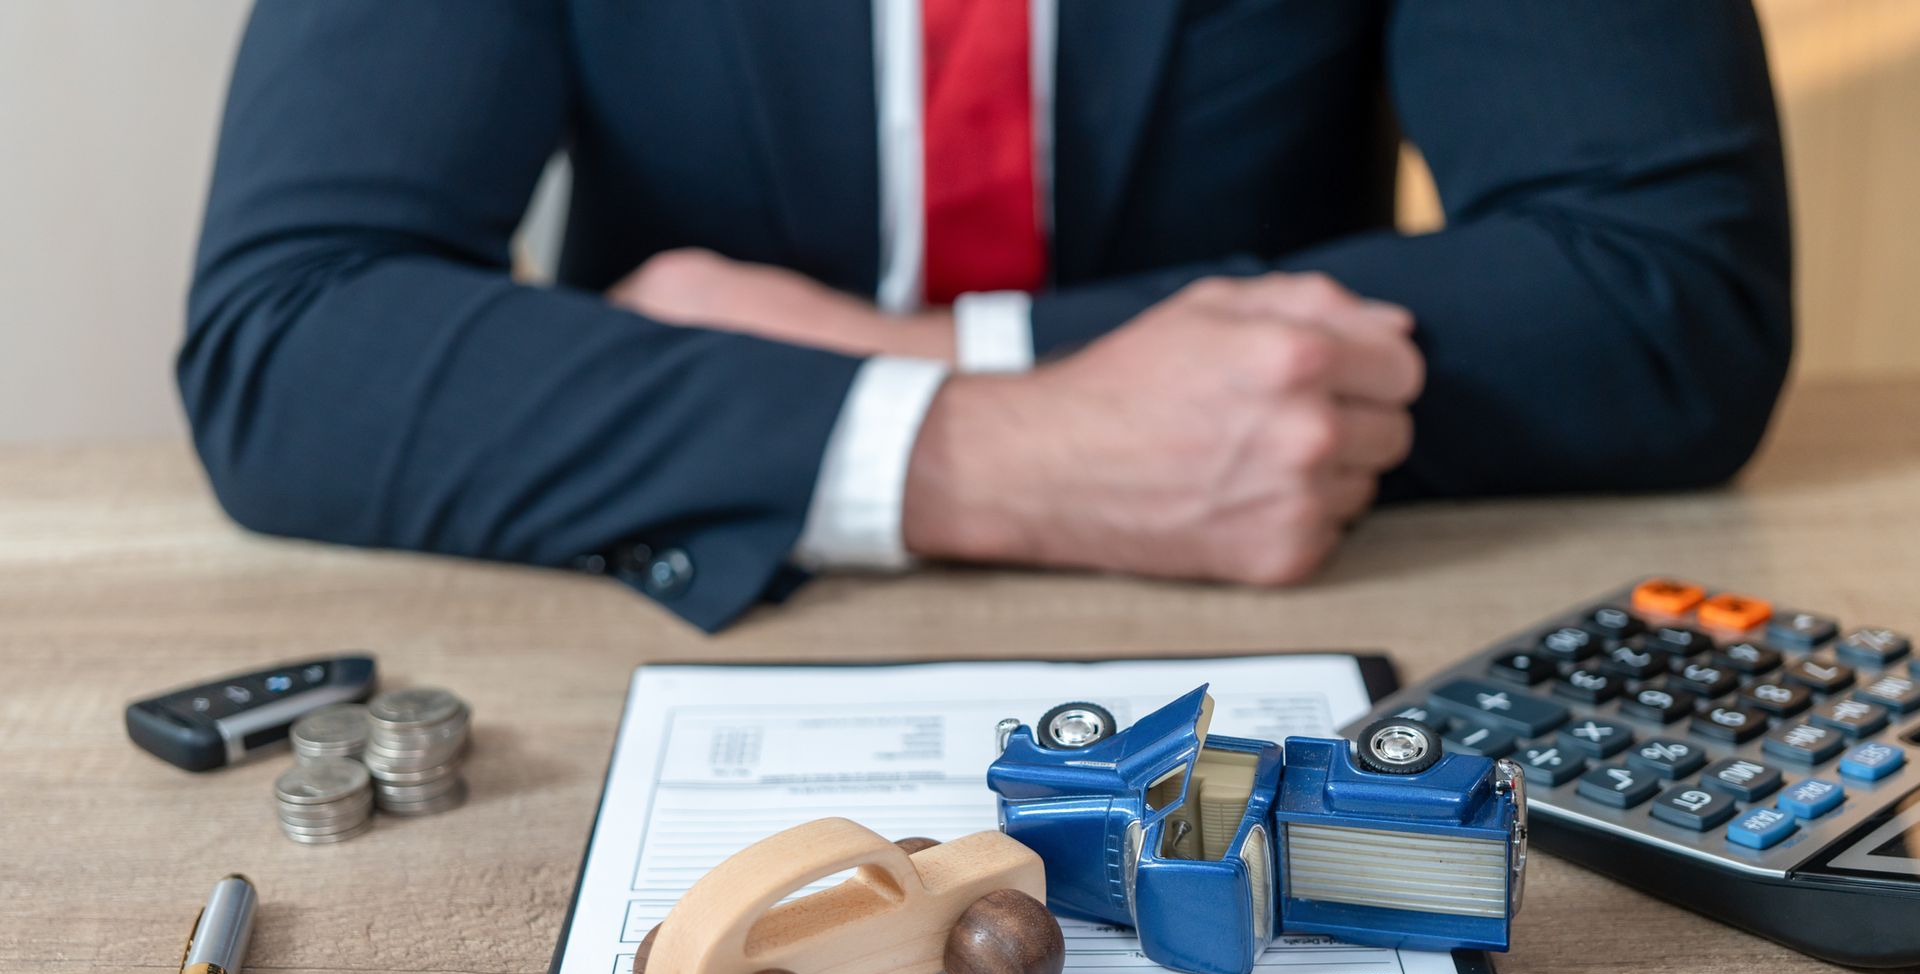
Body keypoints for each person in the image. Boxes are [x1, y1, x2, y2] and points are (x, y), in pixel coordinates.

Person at [179, 1, 1791, 632]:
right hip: (658, 638)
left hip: (1293, 617)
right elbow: (291, 339)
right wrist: (987, 451)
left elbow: (1668, 287)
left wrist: (908, 363)